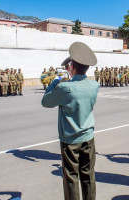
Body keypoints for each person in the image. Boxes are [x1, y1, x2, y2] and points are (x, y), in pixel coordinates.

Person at [42, 42, 99, 200]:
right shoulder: (94, 85)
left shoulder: (64, 88)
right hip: (88, 138)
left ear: (71, 66)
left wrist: (54, 83)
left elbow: (45, 102)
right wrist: (72, 75)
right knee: (88, 175)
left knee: (71, 178)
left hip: (70, 140)